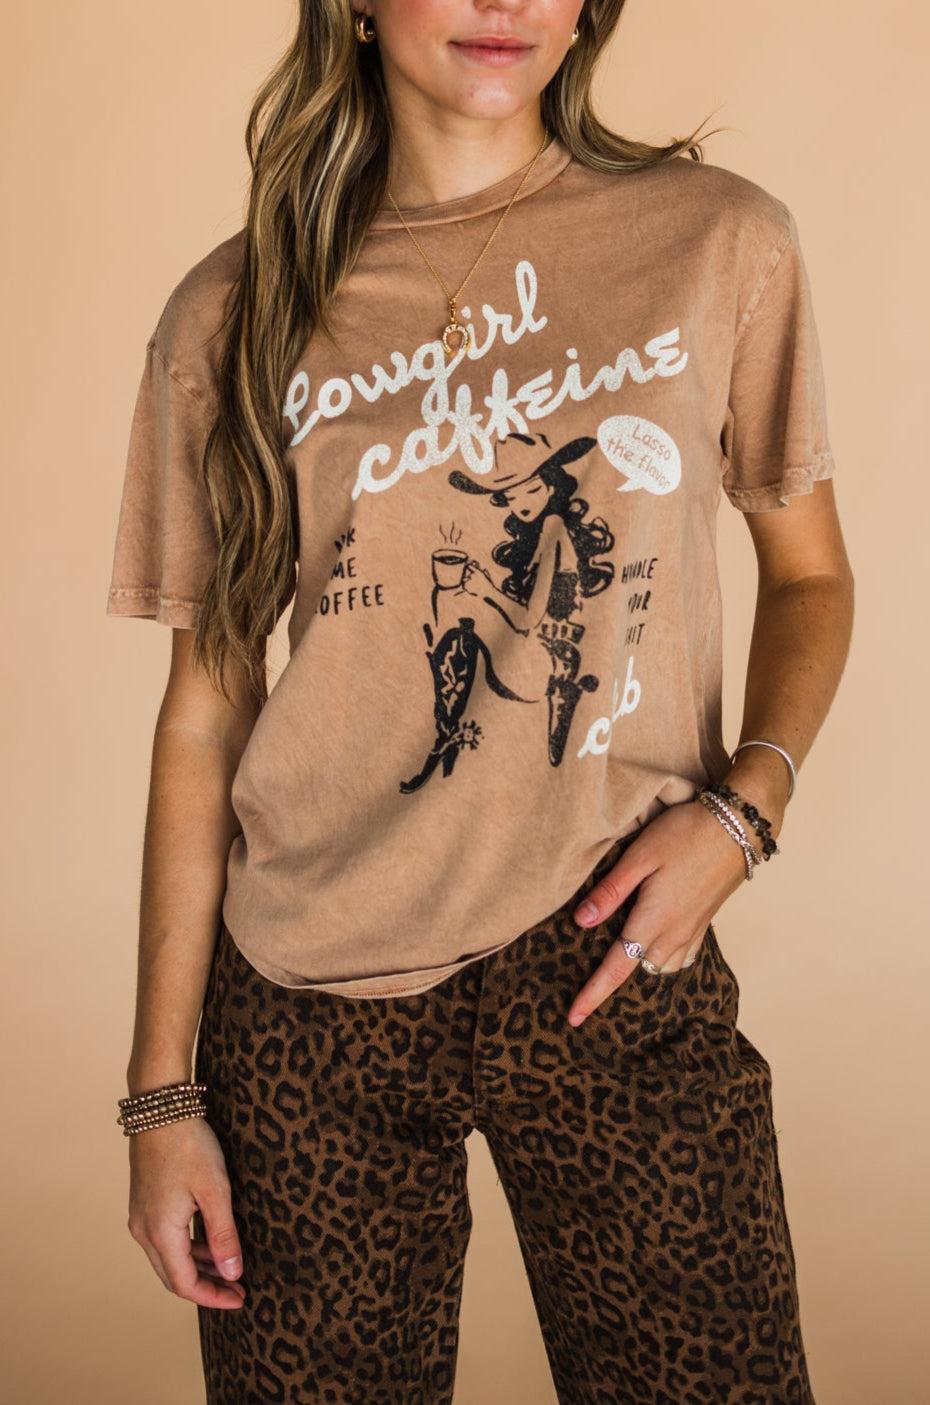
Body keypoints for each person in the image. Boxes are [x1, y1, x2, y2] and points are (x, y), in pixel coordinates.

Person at [107, 3, 854, 1402]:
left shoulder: (717, 241)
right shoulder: (233, 310)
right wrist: (161, 1096)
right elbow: (204, 717)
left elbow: (810, 577)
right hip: (311, 1001)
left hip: (610, 958)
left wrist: (743, 817)